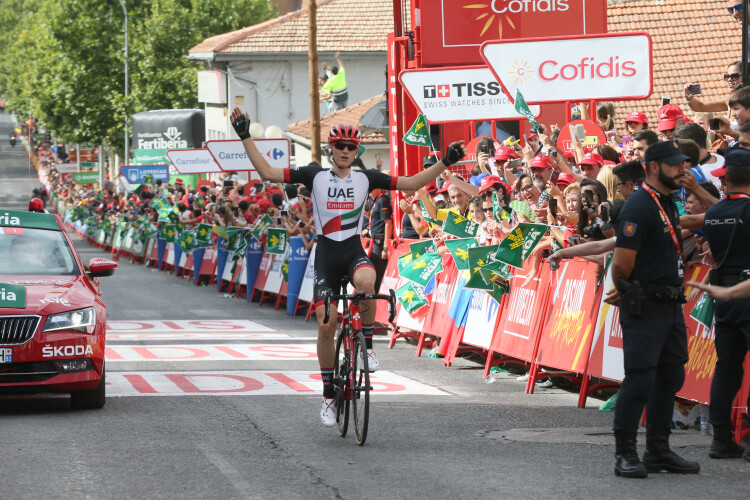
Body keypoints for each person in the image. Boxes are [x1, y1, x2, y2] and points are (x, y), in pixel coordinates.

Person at [229, 107, 464, 427]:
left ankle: (365, 344)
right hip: (326, 254)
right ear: (331, 149)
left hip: (352, 250)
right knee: (327, 324)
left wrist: (445, 162)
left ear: (357, 152)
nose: (345, 151)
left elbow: (412, 180)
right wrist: (244, 135)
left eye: (351, 147)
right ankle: (328, 394)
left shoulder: (367, 178)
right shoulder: (315, 176)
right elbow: (269, 173)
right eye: (339, 146)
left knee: (368, 280)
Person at [606, 140, 700, 478]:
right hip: (646, 304)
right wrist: (631, 292)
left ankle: (658, 449)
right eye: (676, 165)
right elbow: (621, 265)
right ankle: (625, 454)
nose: (683, 170)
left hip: (671, 302)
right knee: (640, 377)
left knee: (671, 373)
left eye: (684, 164)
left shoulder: (666, 202)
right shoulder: (639, 206)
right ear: (655, 167)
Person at [681, 149, 750, 461]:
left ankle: (721, 437)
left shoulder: (715, 213)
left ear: (727, 180)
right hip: (745, 290)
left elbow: (693, 219)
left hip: (721, 291)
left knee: (727, 367)